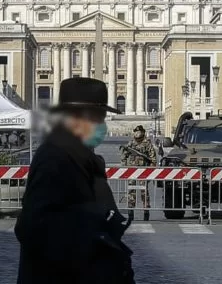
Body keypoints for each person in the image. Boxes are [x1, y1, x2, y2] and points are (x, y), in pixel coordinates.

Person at [15, 77, 135, 284]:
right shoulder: (56, 158)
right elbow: (38, 227)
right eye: (99, 119)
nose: (103, 126)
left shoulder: (76, 155)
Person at [121, 125, 157, 222]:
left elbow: (153, 158)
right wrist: (124, 167)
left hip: (143, 171)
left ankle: (146, 212)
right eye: (136, 132)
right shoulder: (131, 143)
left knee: (144, 192)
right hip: (132, 171)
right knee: (131, 191)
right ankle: (130, 212)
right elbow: (124, 155)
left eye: (139, 132)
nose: (137, 134)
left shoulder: (147, 144)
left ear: (143, 133)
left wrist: (150, 170)